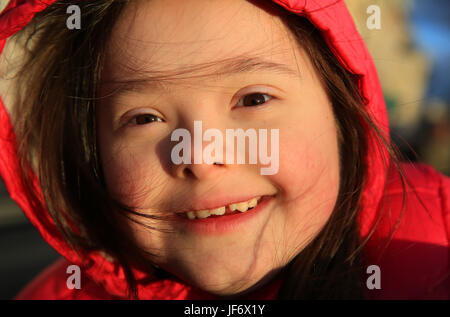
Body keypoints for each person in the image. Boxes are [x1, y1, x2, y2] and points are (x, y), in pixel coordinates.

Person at [0, 0, 448, 300]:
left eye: (253, 100)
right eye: (144, 118)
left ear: (342, 109)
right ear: (91, 149)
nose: (197, 155)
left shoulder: (436, 239)